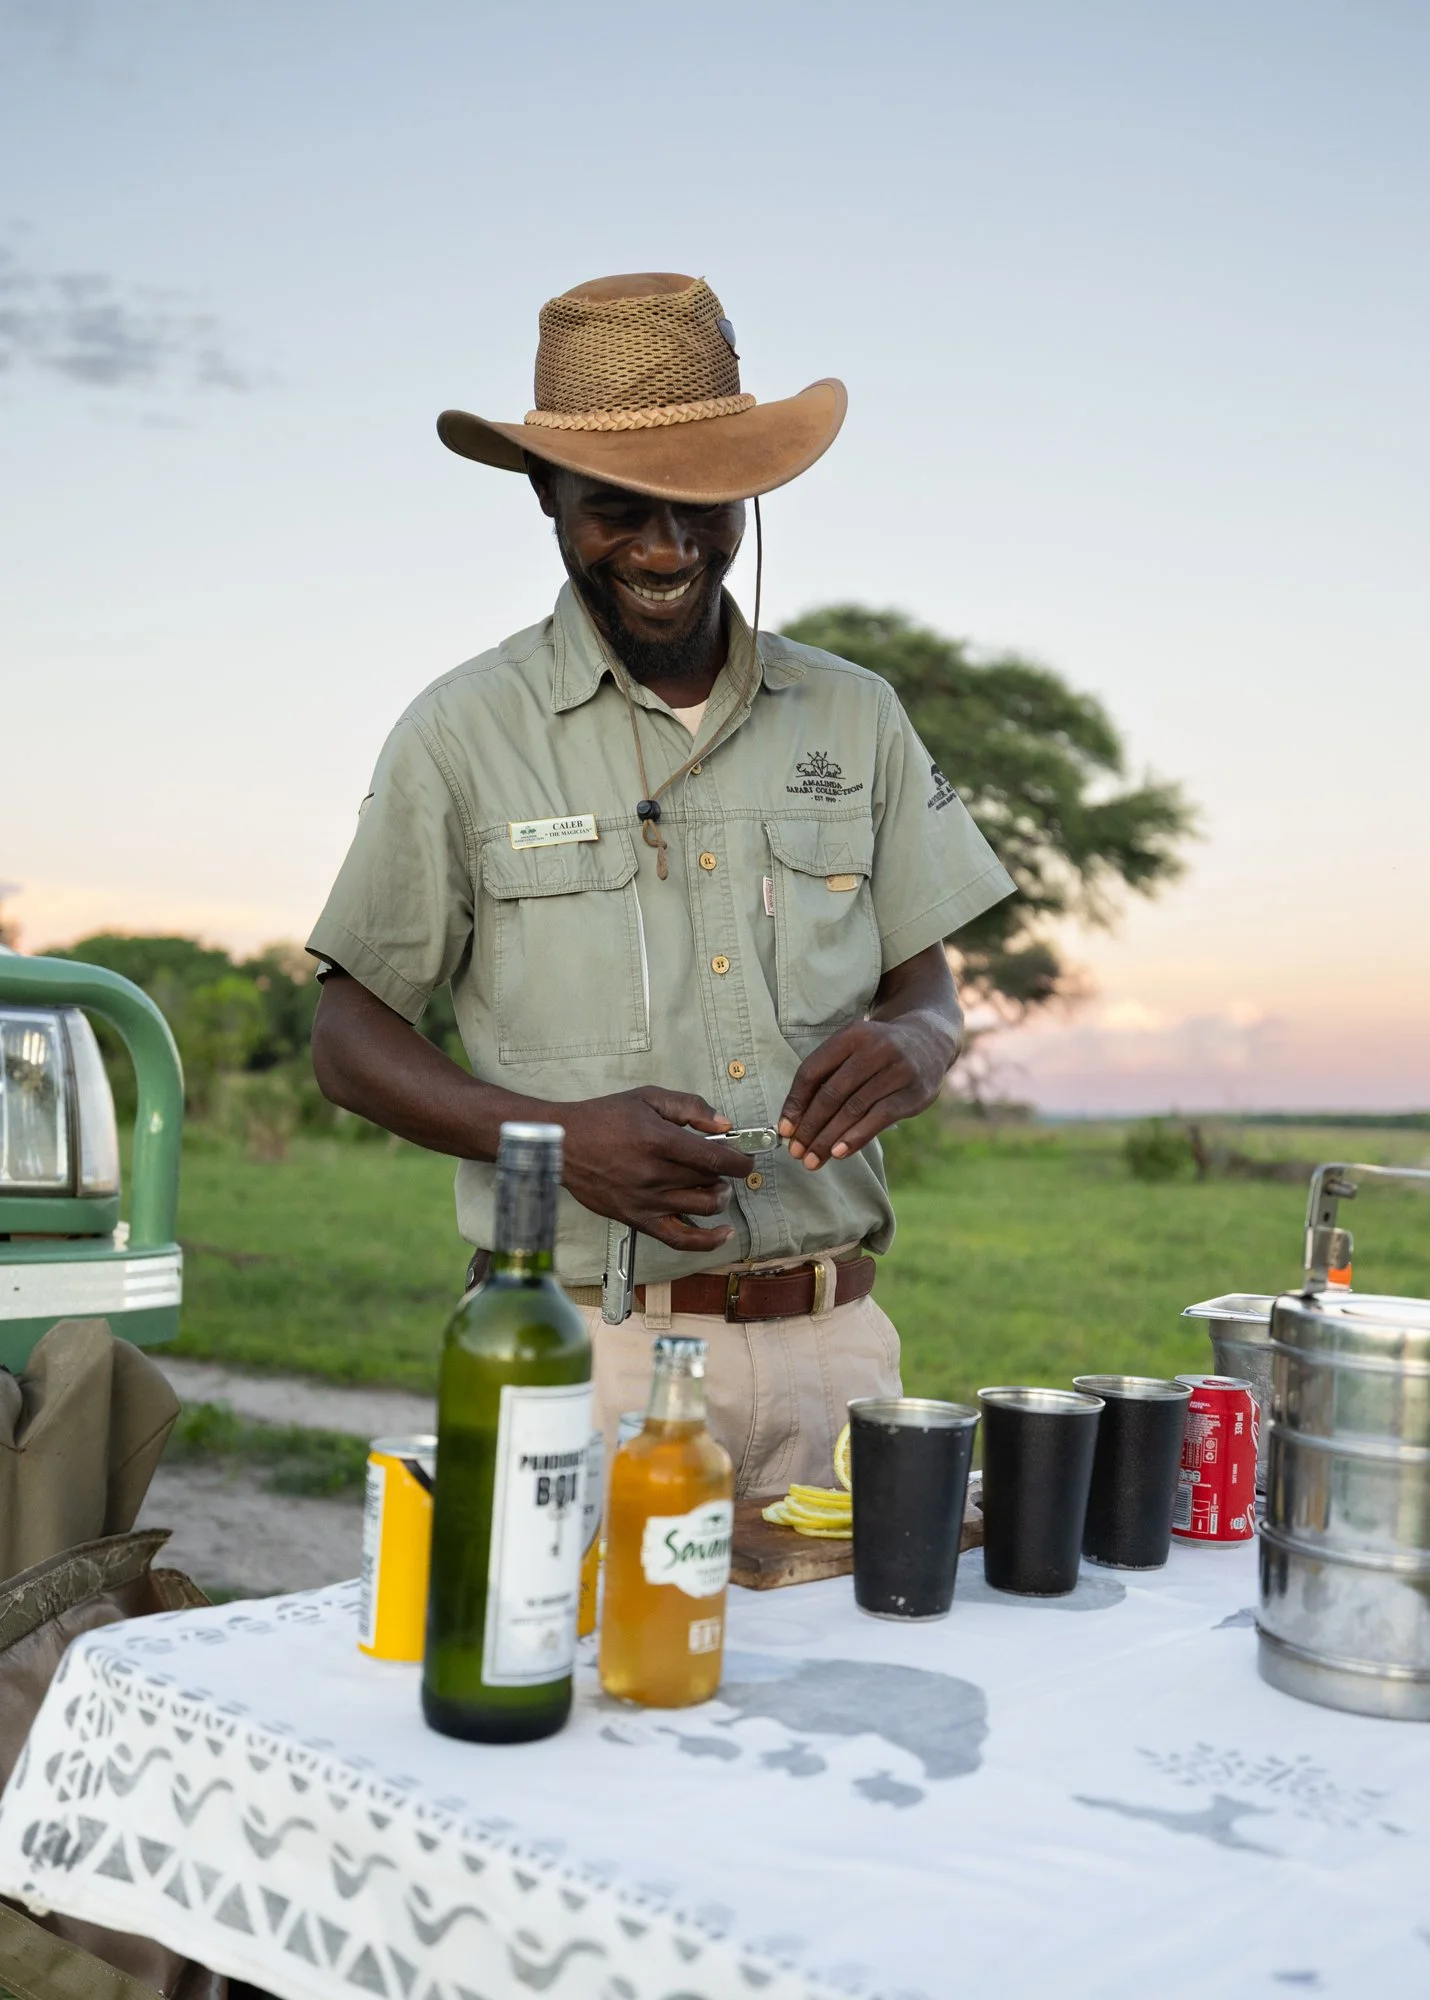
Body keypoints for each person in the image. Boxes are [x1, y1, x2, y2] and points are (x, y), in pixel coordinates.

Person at [308, 271, 1014, 1495]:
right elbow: (347, 1038)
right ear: (545, 497)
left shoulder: (854, 713)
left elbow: (927, 987)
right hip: (586, 1352)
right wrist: (554, 1141)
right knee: (574, 1678)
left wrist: (918, 1041)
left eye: (698, 505)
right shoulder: (462, 732)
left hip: (836, 1353)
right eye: (614, 508)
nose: (665, 547)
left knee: (856, 1683)